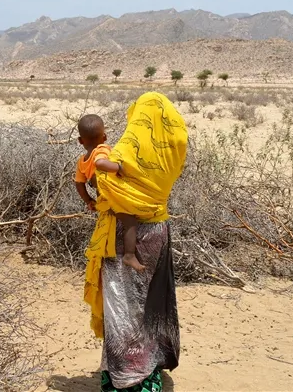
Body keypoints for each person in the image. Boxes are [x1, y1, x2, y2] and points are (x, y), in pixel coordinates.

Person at [83, 91, 188, 392]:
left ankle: (126, 379)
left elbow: (101, 183)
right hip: (158, 231)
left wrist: (96, 163)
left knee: (123, 306)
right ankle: (149, 372)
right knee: (149, 302)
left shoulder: (126, 151)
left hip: (123, 236)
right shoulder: (171, 151)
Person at [74, 114, 144, 272]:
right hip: (112, 199)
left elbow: (79, 184)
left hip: (102, 201)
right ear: (104, 137)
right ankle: (129, 255)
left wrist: (89, 201)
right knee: (130, 221)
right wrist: (119, 168)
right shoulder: (102, 149)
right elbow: (100, 162)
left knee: (120, 218)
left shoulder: (81, 161)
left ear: (80, 141)